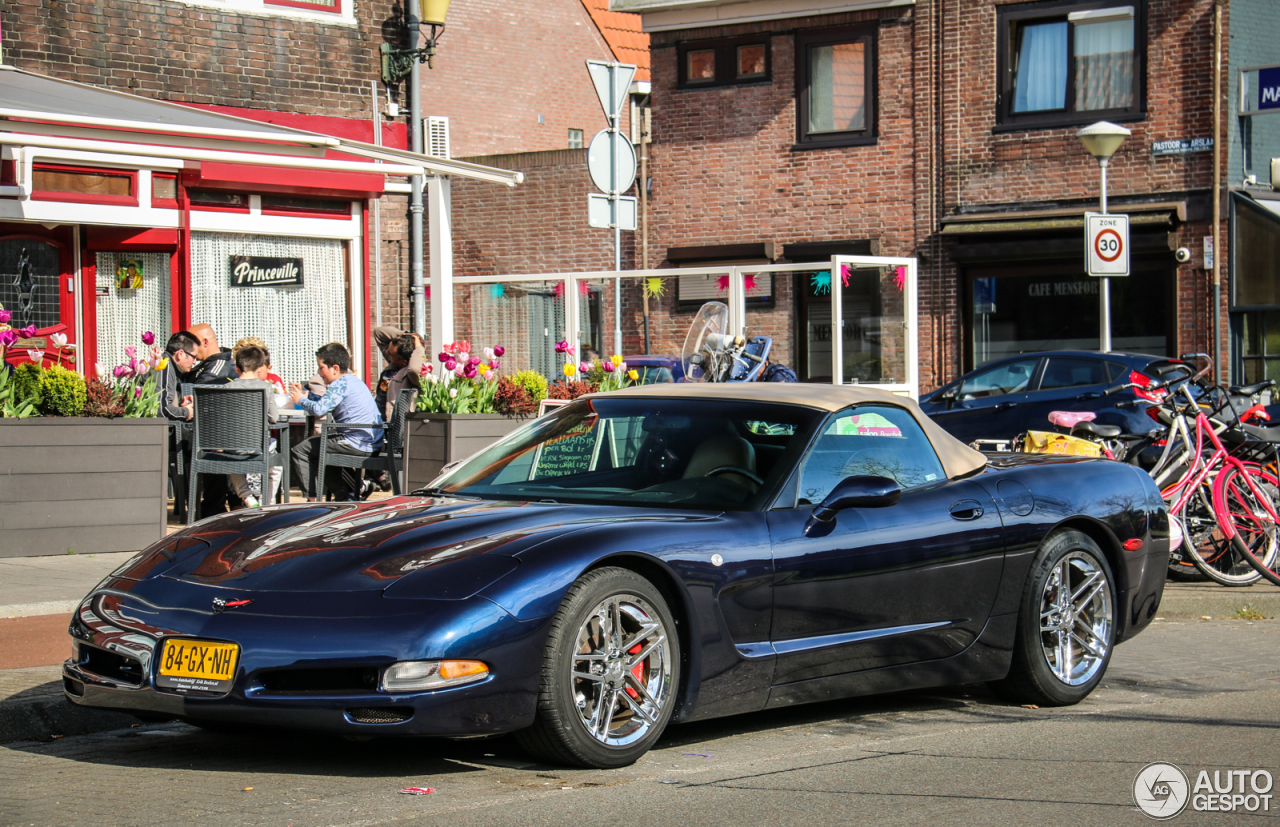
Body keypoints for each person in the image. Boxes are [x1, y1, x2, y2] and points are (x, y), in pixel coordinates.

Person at [288, 343, 384, 502]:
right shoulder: (351, 381)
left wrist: (301, 400)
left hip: (358, 442)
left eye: (321, 367)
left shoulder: (339, 384)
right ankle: (351, 492)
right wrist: (307, 395)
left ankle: (312, 500)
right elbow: (326, 402)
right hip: (369, 440)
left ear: (335, 368)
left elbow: (319, 410)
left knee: (300, 450)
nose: (319, 373)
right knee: (321, 447)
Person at [225, 346, 284, 508]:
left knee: (232, 461)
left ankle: (247, 497)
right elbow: (274, 418)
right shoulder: (265, 387)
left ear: (237, 368)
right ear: (260, 368)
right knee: (276, 464)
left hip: (233, 447)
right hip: (259, 447)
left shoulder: (227, 387)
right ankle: (269, 500)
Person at [372, 326, 425, 420]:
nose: (386, 352)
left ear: (404, 361)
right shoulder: (394, 362)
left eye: (390, 354)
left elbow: (413, 369)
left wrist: (419, 348)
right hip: (377, 421)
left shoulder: (412, 376)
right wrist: (407, 336)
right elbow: (378, 332)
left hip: (392, 426)